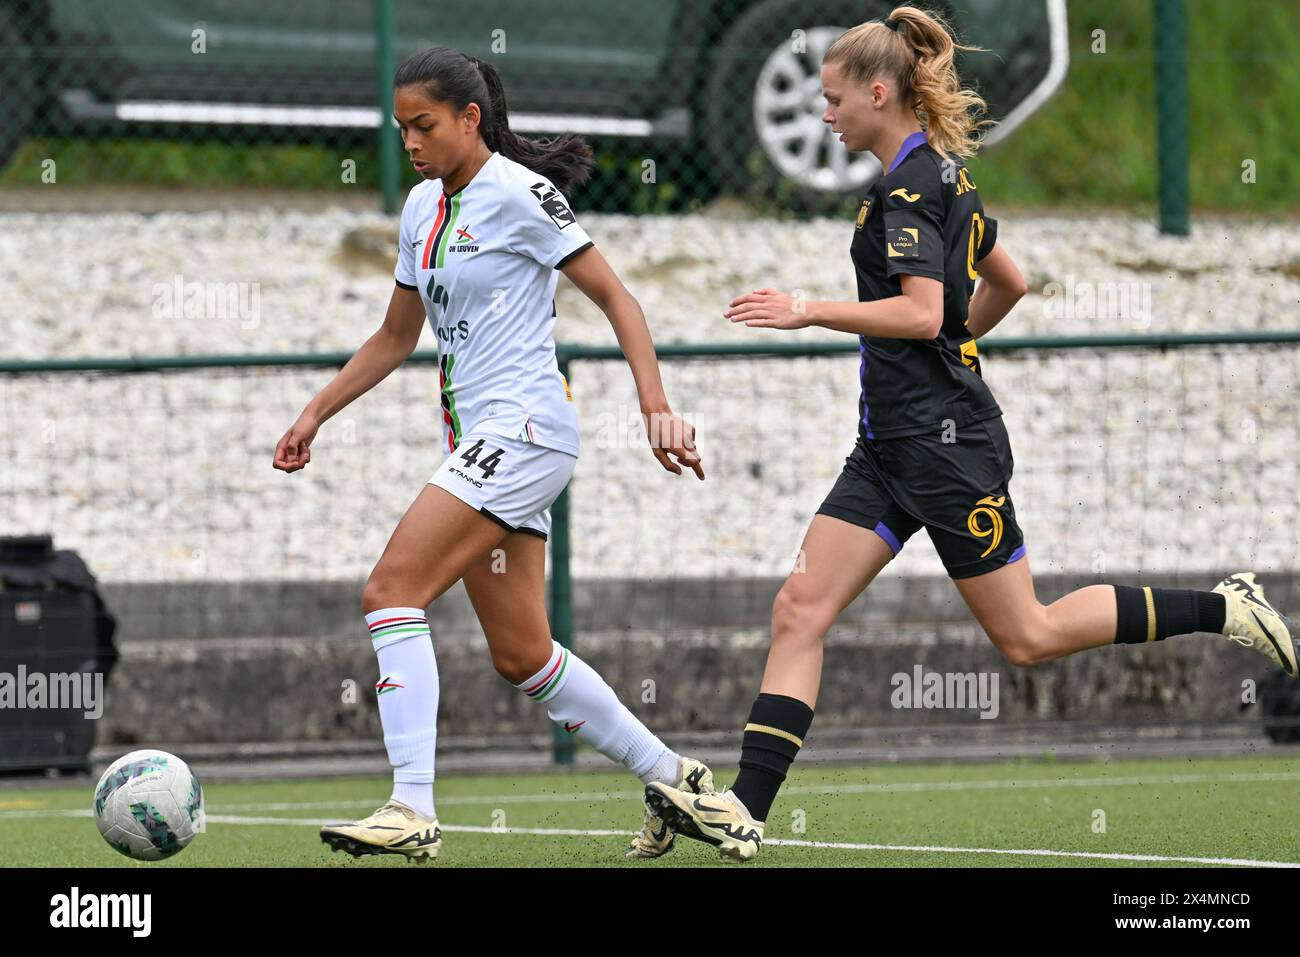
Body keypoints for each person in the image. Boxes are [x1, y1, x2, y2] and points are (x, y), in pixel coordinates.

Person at [646, 4, 1297, 863]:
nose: (825, 114)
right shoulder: (940, 173)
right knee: (799, 608)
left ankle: (1224, 605)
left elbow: (920, 311)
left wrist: (811, 310)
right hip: (889, 448)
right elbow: (1009, 283)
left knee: (1027, 635)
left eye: (834, 97)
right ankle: (746, 809)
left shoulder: (909, 188)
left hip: (947, 451)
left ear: (880, 93)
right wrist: (955, 341)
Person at [274, 46, 713, 862]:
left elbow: (617, 297)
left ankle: (412, 806)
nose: (410, 140)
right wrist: (315, 412)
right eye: (401, 126)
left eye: (424, 125)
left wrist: (656, 407)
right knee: (522, 655)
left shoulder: (519, 193)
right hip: (485, 443)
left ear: (470, 119)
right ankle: (677, 777)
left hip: (525, 430)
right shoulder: (419, 208)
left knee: (390, 590)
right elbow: (396, 337)